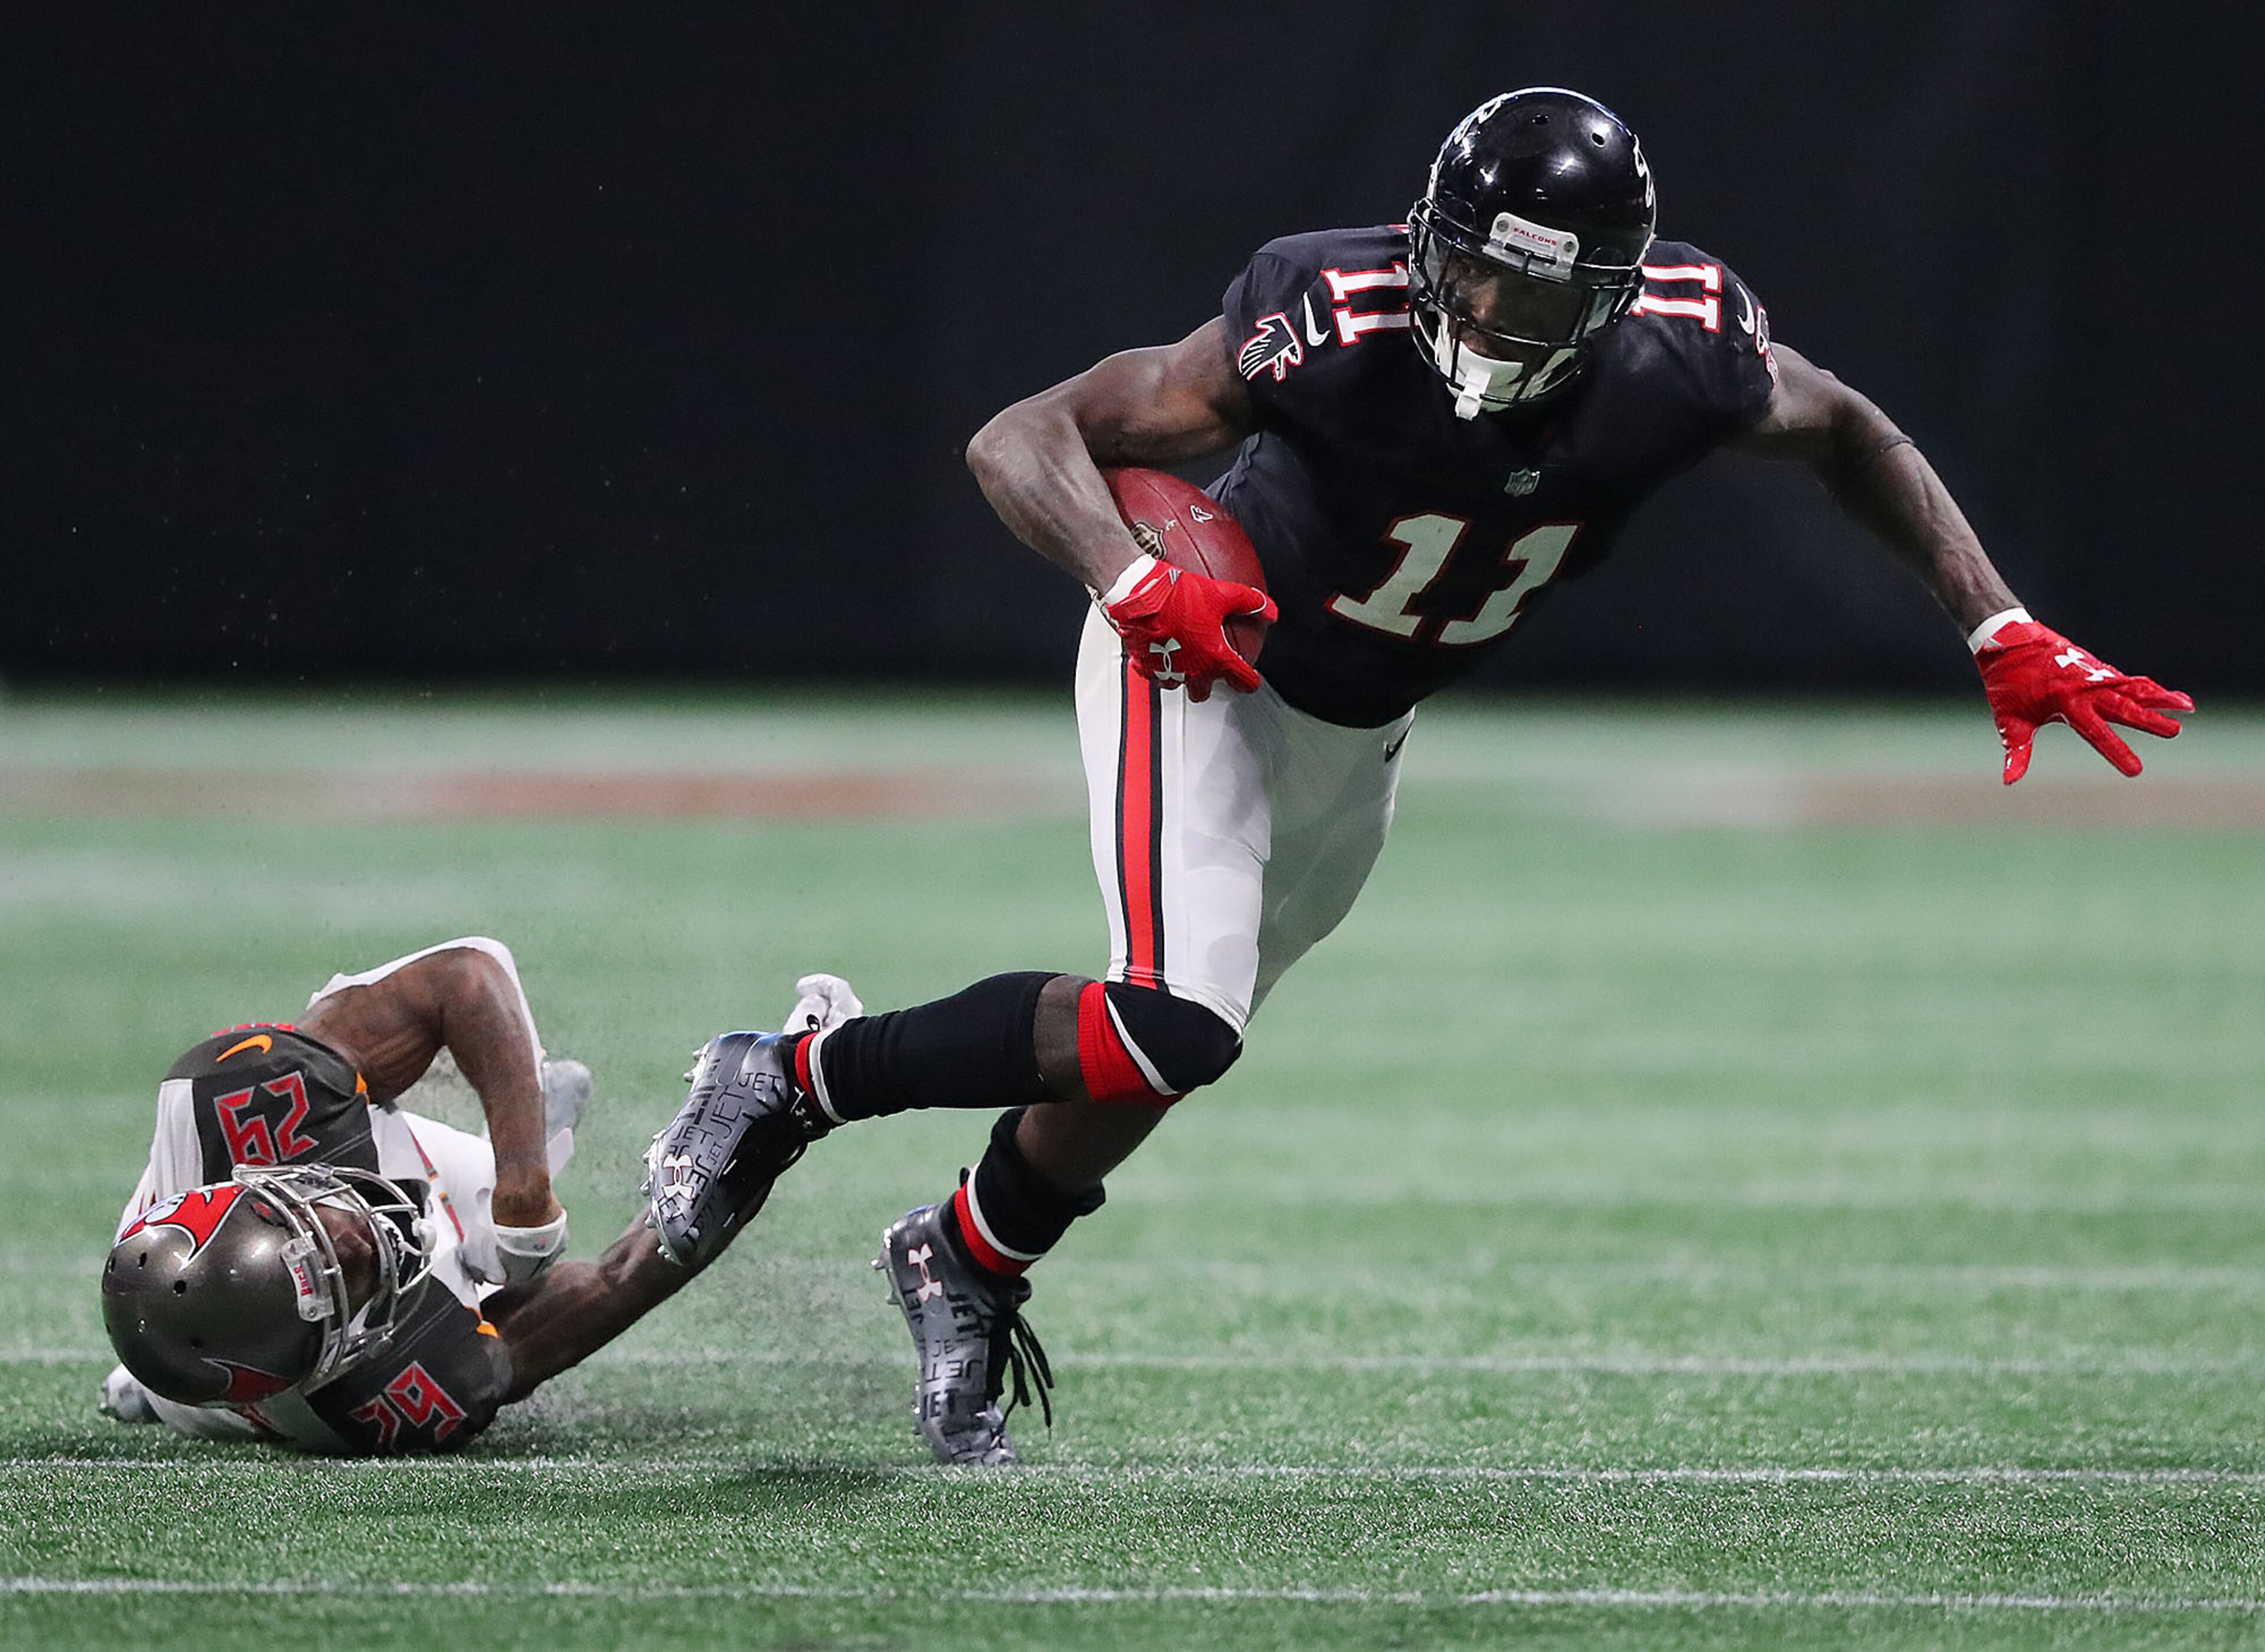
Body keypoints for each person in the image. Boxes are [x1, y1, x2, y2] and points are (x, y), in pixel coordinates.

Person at [643, 87, 2192, 1465]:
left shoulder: (1684, 354)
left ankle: (970, 1255)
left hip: (1365, 732)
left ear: (1607, 296)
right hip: (1207, 670)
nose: (1484, 305)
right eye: (1469, 264)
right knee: (1180, 1016)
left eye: (1530, 286)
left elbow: (1849, 429)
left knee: (1169, 1036)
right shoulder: (1329, 311)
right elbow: (1023, 436)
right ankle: (788, 1079)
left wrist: (1992, 617)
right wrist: (1129, 577)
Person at [100, 935, 853, 1453]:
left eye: (317, 1234)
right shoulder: (379, 1397)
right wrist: (784, 1120)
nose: (359, 1243)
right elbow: (633, 1271)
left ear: (253, 1190)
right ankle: (489, 1219)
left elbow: (466, 973)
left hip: (316, 1169)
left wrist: (526, 1197)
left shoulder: (242, 1095)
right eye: (339, 1281)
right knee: (477, 1251)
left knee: (487, 1188)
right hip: (253, 1386)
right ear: (323, 1350)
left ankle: (508, 1174)